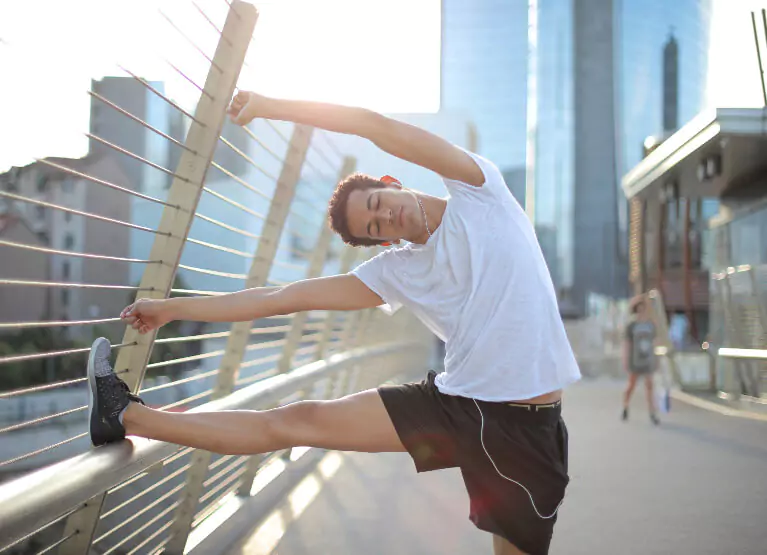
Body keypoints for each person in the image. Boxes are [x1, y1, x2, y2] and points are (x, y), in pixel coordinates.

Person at [87, 91, 581, 555]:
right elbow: (282, 298)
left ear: (390, 183)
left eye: (375, 205)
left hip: (527, 427)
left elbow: (373, 125)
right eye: (374, 229)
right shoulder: (397, 271)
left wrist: (271, 107)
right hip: (456, 405)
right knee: (296, 421)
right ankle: (126, 416)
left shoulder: (481, 190)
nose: (384, 218)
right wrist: (174, 308)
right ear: (383, 244)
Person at [621, 295, 660, 425]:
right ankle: (625, 406)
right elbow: (627, 343)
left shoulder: (650, 324)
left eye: (643, 308)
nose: (641, 310)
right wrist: (626, 359)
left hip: (647, 359)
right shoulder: (632, 324)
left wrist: (656, 358)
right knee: (631, 384)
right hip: (635, 359)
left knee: (650, 386)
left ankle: (652, 412)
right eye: (639, 308)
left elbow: (654, 342)